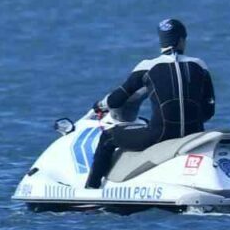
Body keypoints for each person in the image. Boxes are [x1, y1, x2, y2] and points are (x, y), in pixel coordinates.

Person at [85, 19, 217, 189]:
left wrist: (99, 105)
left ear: (161, 42)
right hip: (194, 134)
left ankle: (91, 189)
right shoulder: (200, 65)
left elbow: (116, 100)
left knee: (107, 137)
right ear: (182, 40)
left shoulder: (147, 66)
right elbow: (209, 111)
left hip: (159, 135)